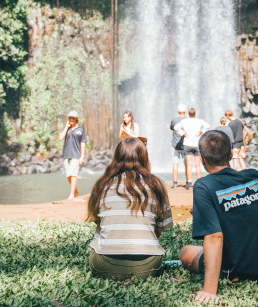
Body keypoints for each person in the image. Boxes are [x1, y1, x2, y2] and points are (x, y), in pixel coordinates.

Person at [179, 130, 258, 303]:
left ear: (201, 159)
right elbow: (244, 210)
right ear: (231, 154)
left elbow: (214, 236)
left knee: (186, 252)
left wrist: (209, 289)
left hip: (240, 267)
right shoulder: (255, 177)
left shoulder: (204, 186)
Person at [86, 137, 173, 280]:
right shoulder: (157, 184)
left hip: (104, 267)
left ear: (117, 157)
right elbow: (158, 229)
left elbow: (99, 224)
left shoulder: (102, 184)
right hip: (148, 267)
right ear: (144, 157)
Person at [174, 108, 211, 189]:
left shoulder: (185, 121)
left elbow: (176, 127)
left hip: (187, 144)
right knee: (198, 165)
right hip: (197, 144)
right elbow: (208, 126)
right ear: (195, 113)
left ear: (188, 113)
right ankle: (199, 183)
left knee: (189, 164)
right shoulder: (199, 121)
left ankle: (189, 183)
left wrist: (183, 134)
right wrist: (201, 132)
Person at [58, 111, 87, 201]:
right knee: (68, 175)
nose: (71, 119)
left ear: (76, 119)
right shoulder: (68, 129)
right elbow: (60, 138)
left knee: (73, 174)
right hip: (67, 154)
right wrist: (66, 126)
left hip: (76, 155)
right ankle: (75, 191)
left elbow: (83, 143)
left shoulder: (81, 129)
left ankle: (71, 195)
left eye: (73, 118)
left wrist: (82, 156)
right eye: (70, 118)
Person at [170, 104, 188, 189]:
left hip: (175, 145)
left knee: (175, 164)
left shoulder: (174, 120)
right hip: (186, 145)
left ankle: (175, 183)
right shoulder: (188, 120)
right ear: (185, 111)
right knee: (187, 164)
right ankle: (188, 182)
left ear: (178, 111)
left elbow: (172, 127)